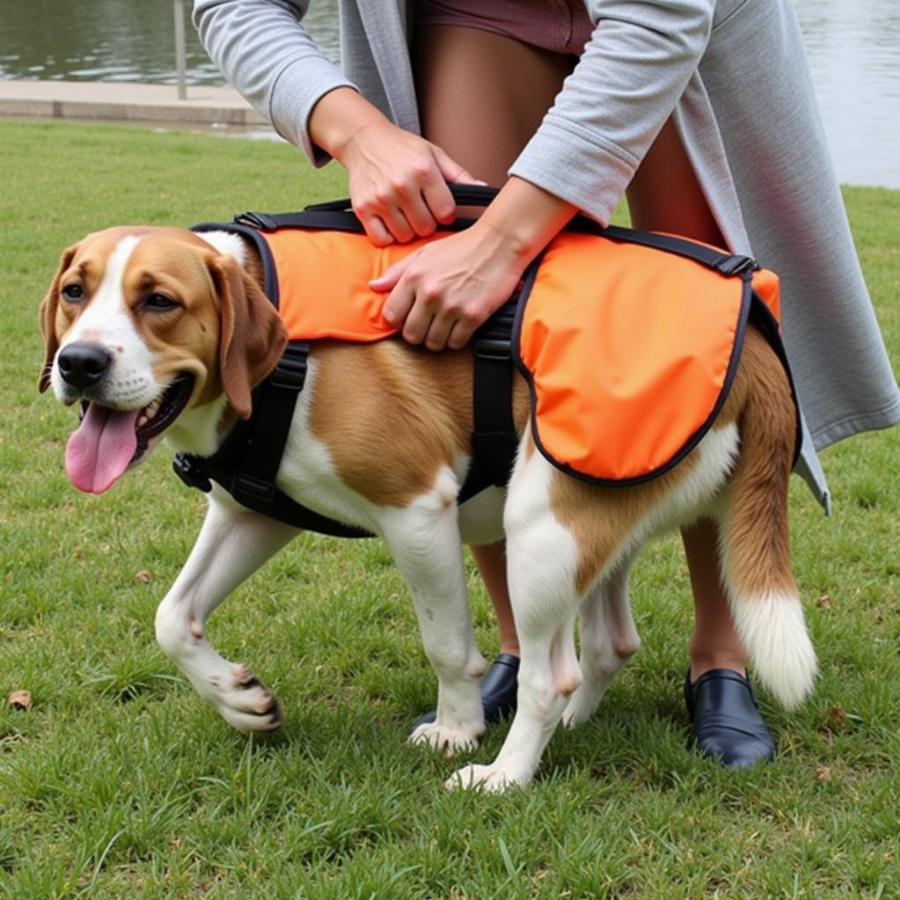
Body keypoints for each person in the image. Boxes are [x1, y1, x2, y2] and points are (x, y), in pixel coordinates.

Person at [193, 0, 900, 768]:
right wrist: (355, 130)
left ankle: (720, 652)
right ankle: (522, 642)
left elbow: (661, 19)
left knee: (698, 321)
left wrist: (502, 243)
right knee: (464, 328)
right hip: (478, 10)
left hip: (674, 18)